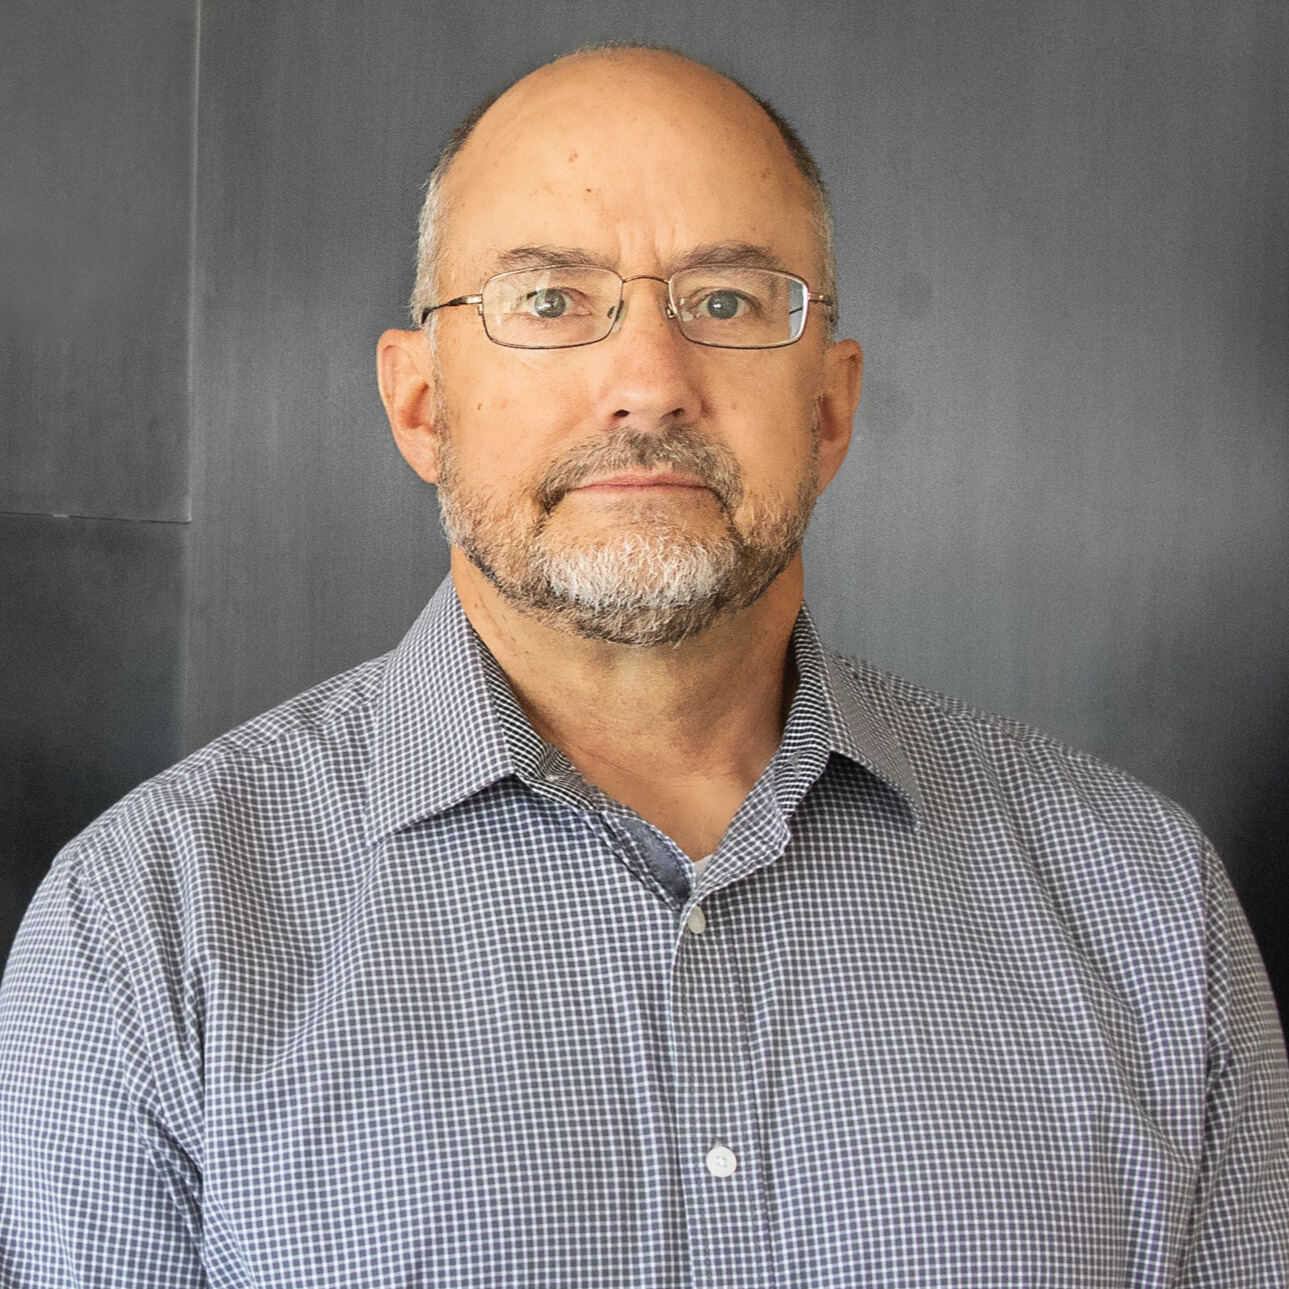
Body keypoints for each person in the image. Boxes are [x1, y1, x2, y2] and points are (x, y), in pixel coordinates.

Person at [0, 43, 1284, 1287]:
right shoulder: (148, 931)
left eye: (725, 300)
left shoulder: (1144, 908)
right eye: (550, 299)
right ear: (421, 405)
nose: (647, 381)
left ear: (829, 408)